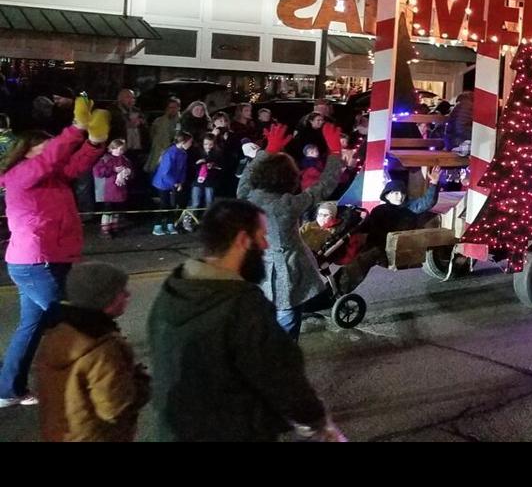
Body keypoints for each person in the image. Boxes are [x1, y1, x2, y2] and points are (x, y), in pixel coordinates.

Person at [146, 199, 345, 441]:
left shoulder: (172, 291)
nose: (266, 244)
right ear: (242, 240)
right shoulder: (242, 306)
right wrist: (317, 422)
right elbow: (281, 376)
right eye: (262, 236)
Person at [0, 97, 110, 407]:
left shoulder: (53, 175)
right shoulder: (21, 175)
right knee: (73, 321)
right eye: (44, 147)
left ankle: (8, 389)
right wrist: (76, 128)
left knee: (31, 327)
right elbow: (52, 158)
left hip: (48, 260)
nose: (51, 152)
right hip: (37, 263)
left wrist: (95, 141)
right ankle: (84, 386)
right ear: (27, 152)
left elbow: (74, 163)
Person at [238, 122, 344, 340]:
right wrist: (335, 152)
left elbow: (247, 177)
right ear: (289, 178)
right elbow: (323, 186)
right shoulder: (286, 205)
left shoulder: (246, 197)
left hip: (257, 272)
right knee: (286, 328)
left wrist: (268, 151)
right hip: (285, 276)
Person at [33, 262, 149, 442]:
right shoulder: (102, 348)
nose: (127, 294)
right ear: (104, 298)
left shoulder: (59, 333)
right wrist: (141, 383)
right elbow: (114, 408)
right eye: (121, 291)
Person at [336, 169, 441, 292]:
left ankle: (339, 289)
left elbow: (427, 202)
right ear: (387, 195)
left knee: (364, 260)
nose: (400, 196)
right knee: (353, 257)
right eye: (396, 193)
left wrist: (434, 183)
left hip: (391, 250)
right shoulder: (379, 210)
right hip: (375, 245)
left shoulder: (411, 208)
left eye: (402, 193)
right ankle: (334, 284)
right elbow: (367, 226)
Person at [150, 132, 193, 236]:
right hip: (163, 183)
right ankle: (157, 226)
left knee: (173, 204)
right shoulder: (170, 153)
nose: (191, 144)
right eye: (190, 142)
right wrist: (175, 183)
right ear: (183, 142)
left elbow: (183, 169)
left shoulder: (183, 153)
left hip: (175, 183)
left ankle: (170, 224)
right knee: (164, 204)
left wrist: (181, 182)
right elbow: (165, 172)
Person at [94, 140, 133, 238]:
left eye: (122, 149)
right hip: (108, 189)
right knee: (107, 211)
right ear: (112, 148)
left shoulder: (125, 159)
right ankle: (105, 230)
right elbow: (98, 172)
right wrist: (113, 169)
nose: (121, 151)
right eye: (119, 149)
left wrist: (128, 172)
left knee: (117, 210)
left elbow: (131, 172)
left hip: (120, 189)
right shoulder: (105, 159)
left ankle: (114, 228)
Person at [189, 133, 223, 212]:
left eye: (210, 144)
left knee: (209, 202)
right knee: (195, 203)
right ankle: (192, 219)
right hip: (197, 181)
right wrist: (198, 163)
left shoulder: (218, 153)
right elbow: (191, 166)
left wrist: (213, 165)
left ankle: (207, 220)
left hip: (210, 181)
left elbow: (222, 167)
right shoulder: (197, 152)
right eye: (206, 144)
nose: (208, 146)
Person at [145, 98, 181, 173]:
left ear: (178, 108)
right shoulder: (158, 121)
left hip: (175, 151)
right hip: (158, 152)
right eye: (170, 107)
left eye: (175, 107)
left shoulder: (182, 121)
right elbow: (152, 135)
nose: (172, 109)